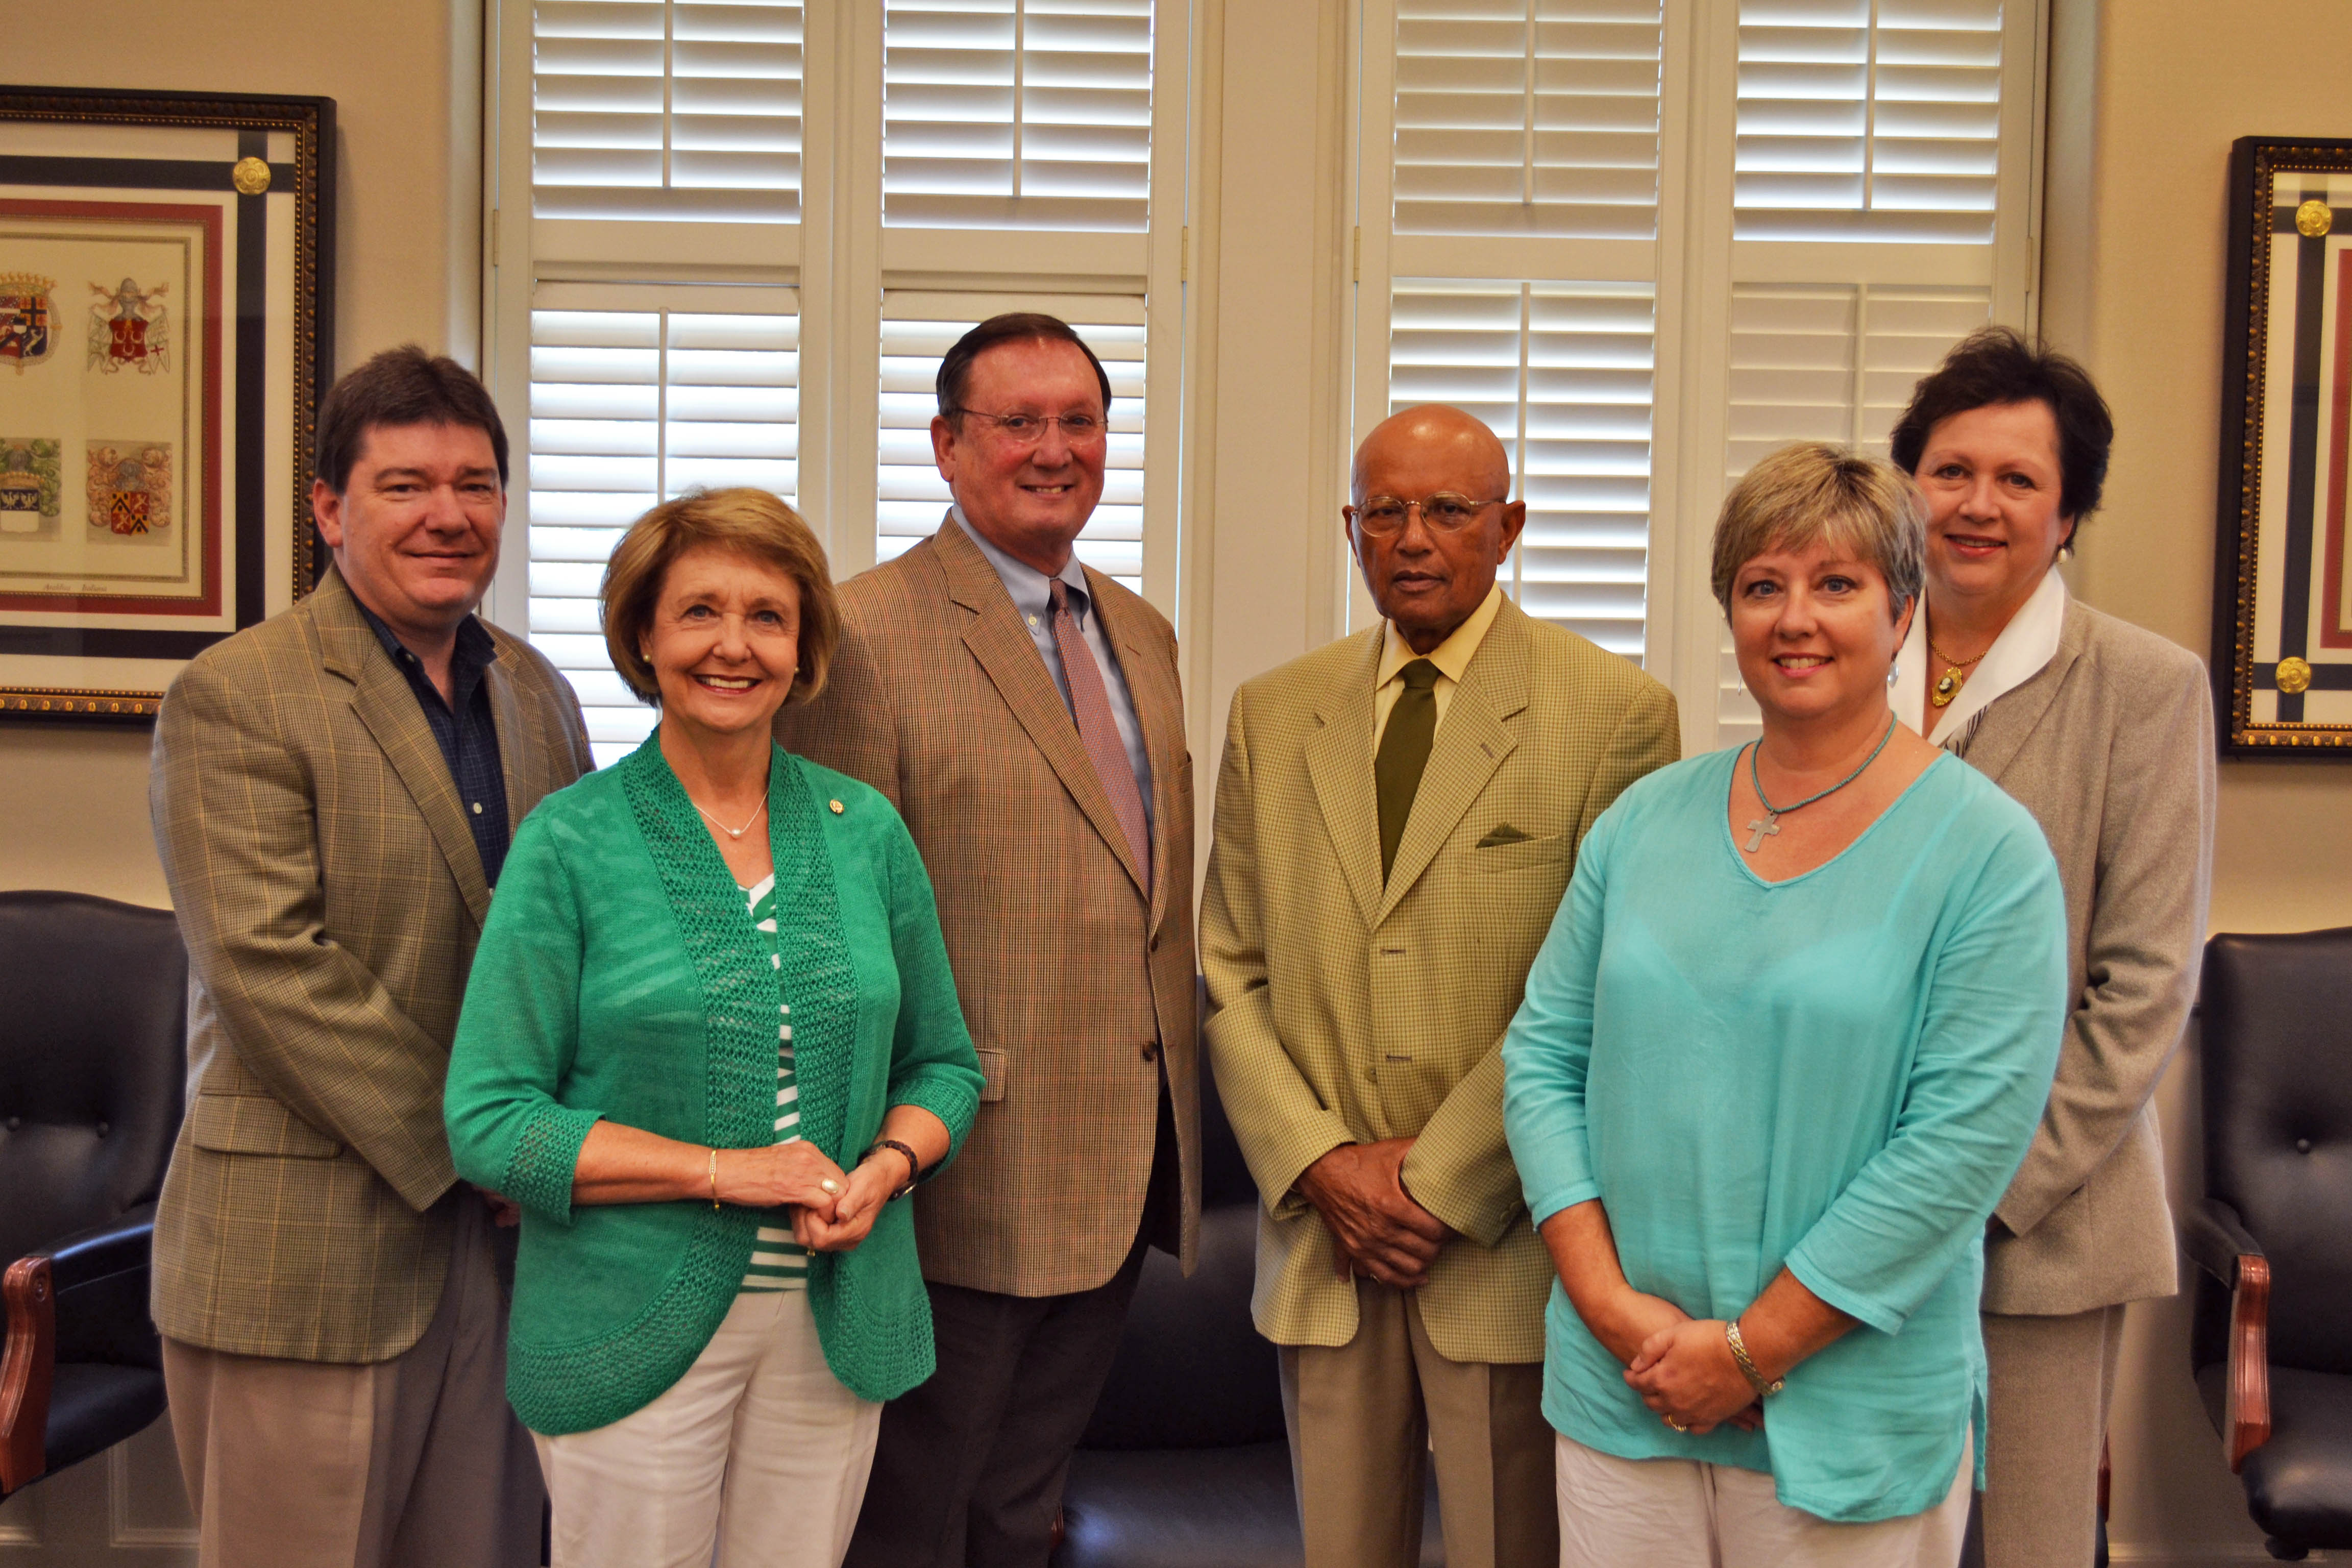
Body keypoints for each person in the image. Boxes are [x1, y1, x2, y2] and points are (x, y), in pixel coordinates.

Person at [1501, 442, 2069, 1565]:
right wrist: (1615, 1310)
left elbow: (1955, 1151)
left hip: (1846, 1410)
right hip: (1629, 1390)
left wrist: (1750, 1354)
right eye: (1764, 586)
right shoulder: (1642, 823)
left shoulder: (1990, 854)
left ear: (1903, 613)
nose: (1794, 618)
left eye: (1837, 585)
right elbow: (1542, 1060)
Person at [443, 487, 985, 1568]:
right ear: (644, 636)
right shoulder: (571, 843)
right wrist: (727, 1171)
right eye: (698, 613)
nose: (733, 646)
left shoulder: (864, 830)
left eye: (767, 617)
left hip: (833, 1326)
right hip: (626, 1324)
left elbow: (945, 1067)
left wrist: (886, 1168)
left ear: (803, 647)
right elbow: (490, 1120)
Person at [1200, 404, 1679, 1568]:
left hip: (1503, 1238)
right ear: (1351, 531)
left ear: (1508, 526)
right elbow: (1229, 966)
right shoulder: (1274, 712)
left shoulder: (1616, 712)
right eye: (1386, 514)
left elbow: (1605, 993)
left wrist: (1431, 1182)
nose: (1414, 538)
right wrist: (1324, 1165)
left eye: (1450, 511)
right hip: (1327, 1243)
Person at [147, 346, 593, 1567]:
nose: (449, 514)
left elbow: (585, 943)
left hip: (505, 1260)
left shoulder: (539, 694)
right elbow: (271, 971)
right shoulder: (238, 695)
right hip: (310, 1250)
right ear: (330, 508)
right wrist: (490, 1146)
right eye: (405, 485)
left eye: (477, 482)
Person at [773, 313, 1199, 1568]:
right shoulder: (866, 634)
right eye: (1019, 423)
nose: (1054, 448)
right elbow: (832, 928)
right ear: (948, 447)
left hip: (1121, 1158)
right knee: (913, 1520)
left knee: (1022, 1513)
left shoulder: (1142, 631)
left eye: (1079, 420)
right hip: (953, 1169)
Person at [1886, 328, 2217, 1567]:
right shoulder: (1839, 659)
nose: (1978, 504)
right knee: (1849, 1524)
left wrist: (1980, 1189)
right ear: (1906, 484)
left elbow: (2145, 986)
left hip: (2042, 1221)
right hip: (1844, 1201)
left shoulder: (2145, 684)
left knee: (2028, 1542)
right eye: (1950, 470)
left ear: (2069, 514)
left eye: (2019, 481)